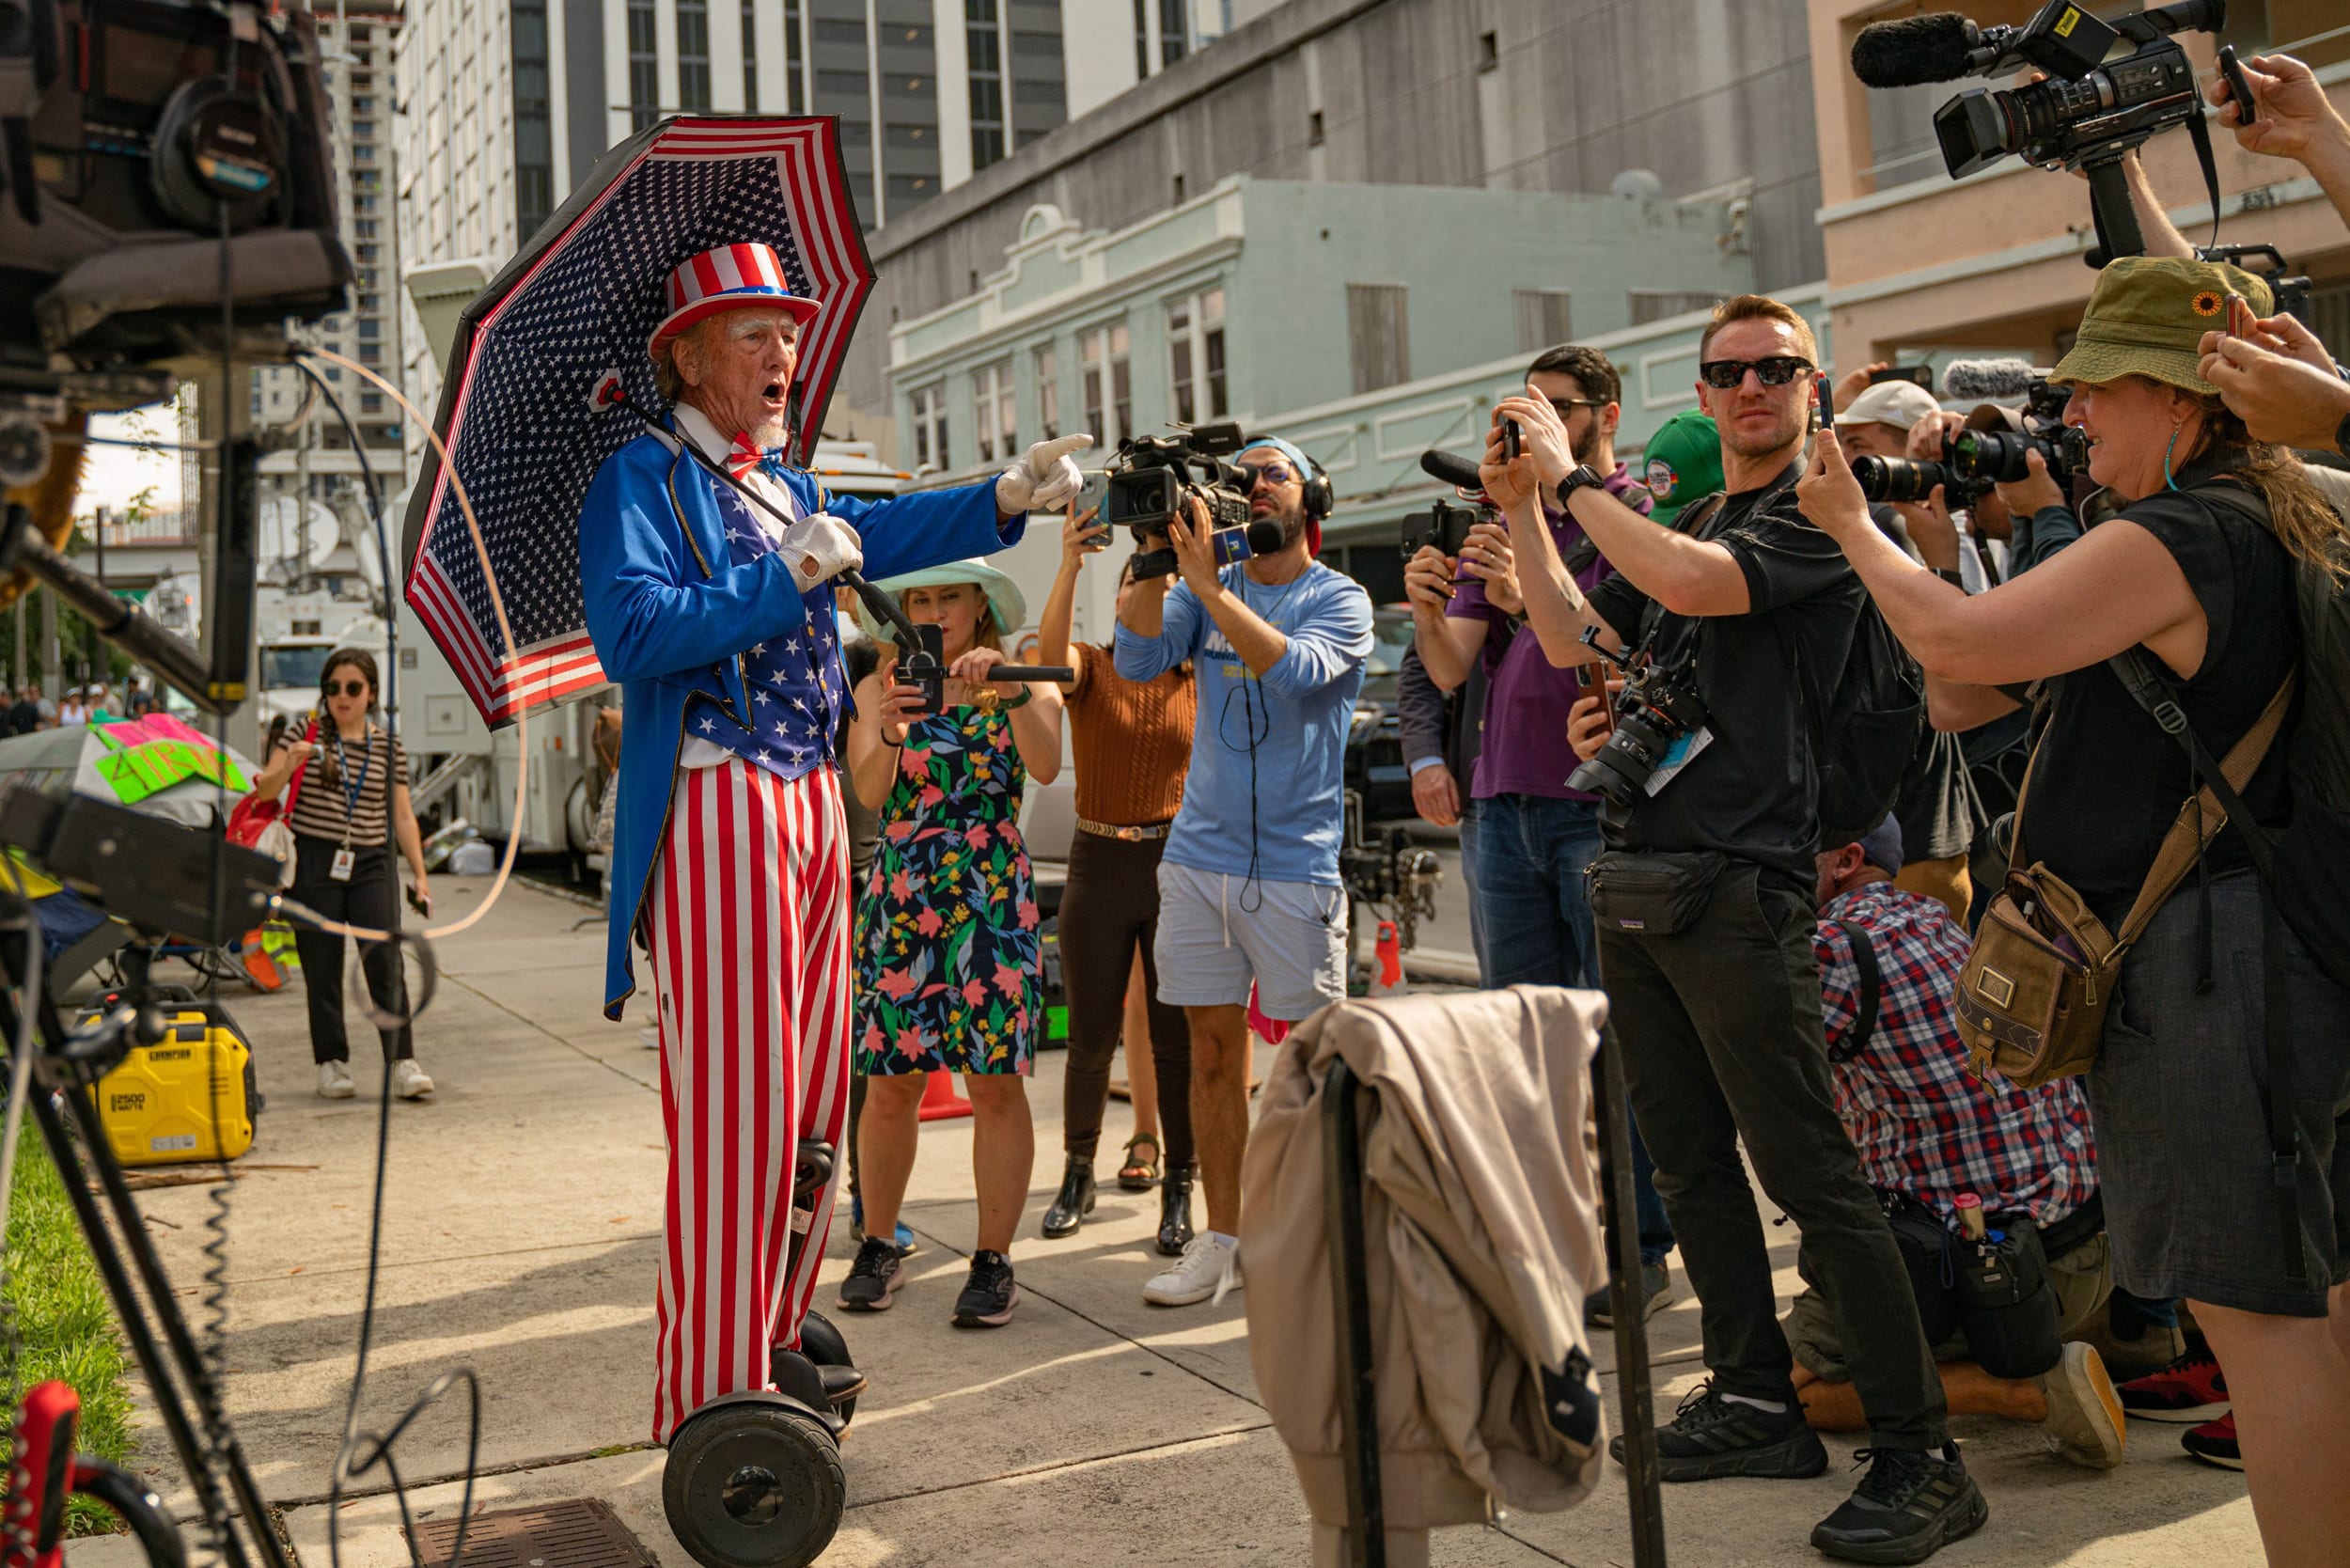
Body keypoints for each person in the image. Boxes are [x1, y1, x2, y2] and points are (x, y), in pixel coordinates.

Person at [1796, 255, 2350, 1565]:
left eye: (2097, 390)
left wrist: (1853, 530)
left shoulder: (2179, 535)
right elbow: (1966, 698)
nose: (2075, 421)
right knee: (2314, 1315)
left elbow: (1958, 652)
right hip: (2279, 962)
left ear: (2182, 397)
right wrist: (1939, 555)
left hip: (2216, 982)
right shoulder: (2278, 520)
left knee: (2267, 1338)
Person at [1496, 293, 1980, 1563]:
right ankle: (1758, 1396)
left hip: (1747, 882)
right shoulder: (1698, 516)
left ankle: (1922, 1453)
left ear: (1814, 388)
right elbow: (1581, 635)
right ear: (1705, 394)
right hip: (1646, 872)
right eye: (1729, 371)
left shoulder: (1822, 517)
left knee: (1811, 1175)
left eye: (1777, 368)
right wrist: (1518, 513)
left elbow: (1696, 587)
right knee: (1690, 1163)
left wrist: (1574, 482)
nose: (1753, 387)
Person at [576, 240, 1085, 1440]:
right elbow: (634, 634)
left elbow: (883, 531)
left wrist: (1006, 496)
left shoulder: (777, 480)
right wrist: (788, 576)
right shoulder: (639, 480)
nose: (783, 355)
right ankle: (711, 1386)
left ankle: (766, 1327)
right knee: (738, 1112)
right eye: (753, 334)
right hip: (721, 801)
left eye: (788, 333)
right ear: (688, 358)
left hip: (810, 801)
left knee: (809, 1109)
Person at [1403, 344, 1678, 1325]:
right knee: (1523, 1046)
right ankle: (1552, 1246)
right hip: (1503, 806)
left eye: (1554, 413)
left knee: (1618, 1039)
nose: (1530, 435)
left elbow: (1622, 648)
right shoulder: (1496, 517)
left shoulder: (1630, 518)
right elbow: (1445, 670)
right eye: (1518, 418)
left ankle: (1641, 1247)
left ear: (1603, 415)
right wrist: (1432, 609)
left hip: (1591, 809)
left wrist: (1525, 590)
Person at [1116, 435, 1372, 1309]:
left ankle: (1315, 1236)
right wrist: (1154, 554)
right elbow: (1139, 663)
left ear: (1313, 498)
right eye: (1245, 474)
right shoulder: (1199, 588)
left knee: (1311, 1067)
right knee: (1212, 1057)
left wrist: (1211, 587)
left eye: (1274, 473)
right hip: (1197, 860)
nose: (1255, 486)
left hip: (1297, 867)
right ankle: (1224, 1243)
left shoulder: (1338, 597)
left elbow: (1294, 670)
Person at [1794, 820, 2118, 1469]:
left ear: (1845, 861)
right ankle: (2116, 1338)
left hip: (2001, 1271)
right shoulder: (1936, 919)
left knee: (1796, 1391)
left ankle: (2020, 1389)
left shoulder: (1828, 950)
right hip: (2086, 1244)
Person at [838, 563, 1062, 1326]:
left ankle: (994, 1259)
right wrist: (895, 731)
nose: (933, 611)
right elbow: (868, 794)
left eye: (949, 597)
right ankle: (877, 1242)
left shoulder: (1022, 671)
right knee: (891, 1081)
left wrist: (1012, 691)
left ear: (980, 607)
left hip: (991, 895)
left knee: (994, 1084)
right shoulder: (877, 686)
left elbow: (1044, 764)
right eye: (920, 599)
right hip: (904, 890)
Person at [1035, 508, 1199, 1253]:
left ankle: (1180, 1188)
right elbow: (1042, 662)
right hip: (1098, 866)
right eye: (1138, 584)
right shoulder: (1093, 666)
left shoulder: (1201, 677)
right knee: (1090, 1036)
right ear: (1119, 602)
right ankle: (1077, 1172)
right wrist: (1069, 563)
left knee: (1175, 1044)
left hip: (1175, 868)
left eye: (1163, 589)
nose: (1149, 597)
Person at [249, 650, 433, 1103]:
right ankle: (331, 1063)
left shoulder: (388, 745)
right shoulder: (301, 734)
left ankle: (401, 1061)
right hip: (314, 860)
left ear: (370, 693)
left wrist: (421, 875)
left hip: (371, 861)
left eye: (353, 688)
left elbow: (404, 816)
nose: (342, 697)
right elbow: (263, 793)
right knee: (321, 965)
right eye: (333, 688)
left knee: (384, 961)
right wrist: (287, 766)